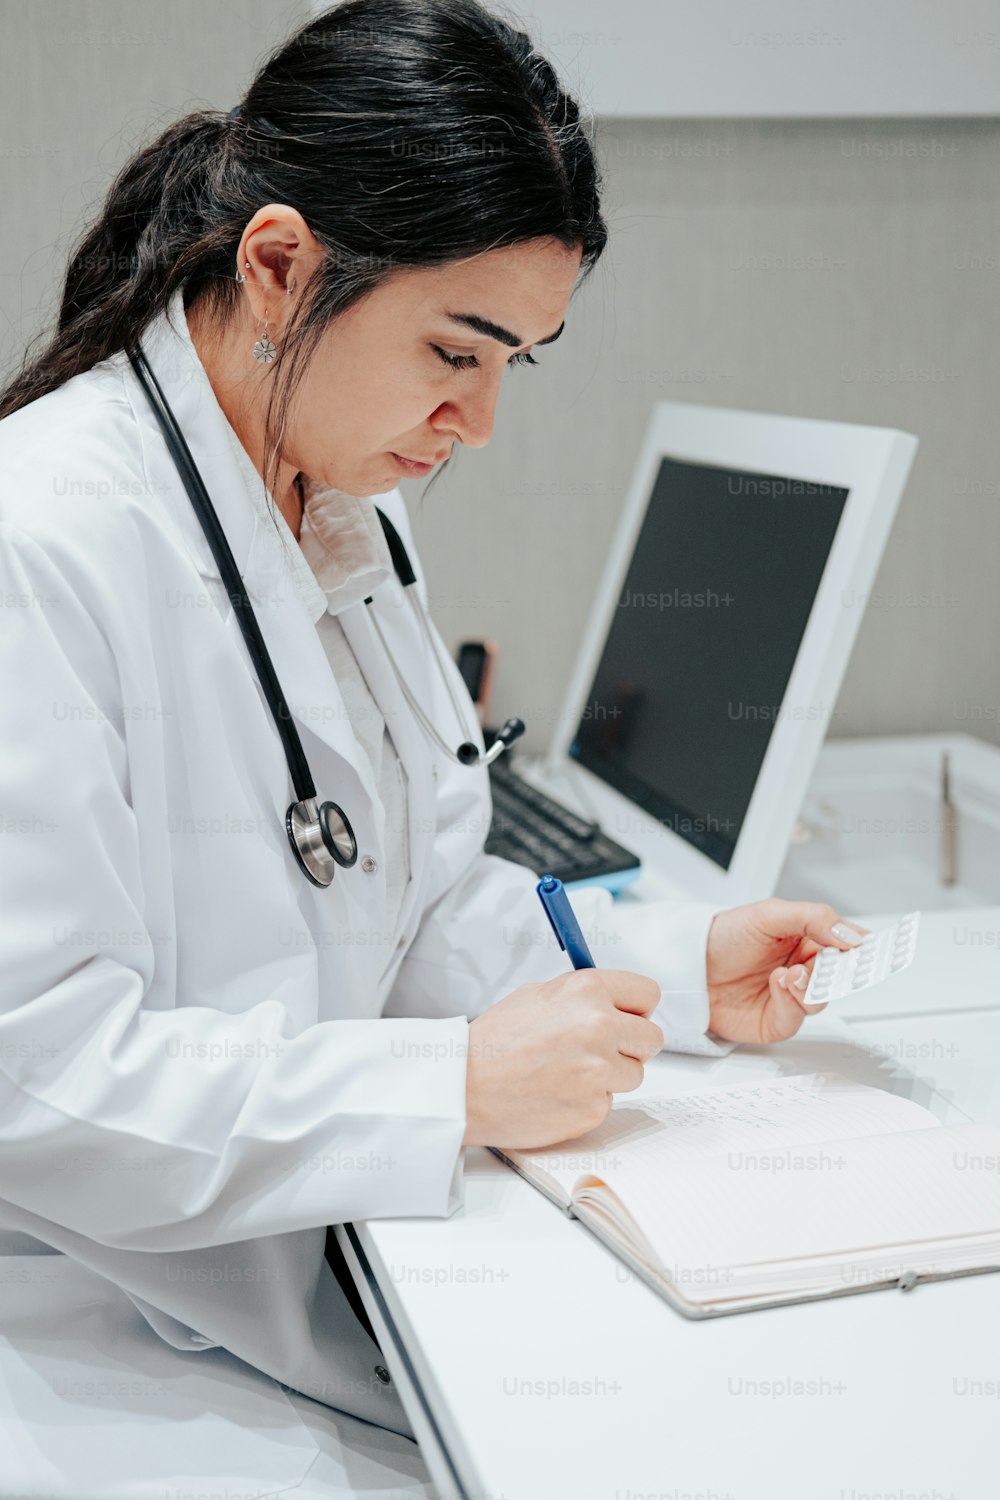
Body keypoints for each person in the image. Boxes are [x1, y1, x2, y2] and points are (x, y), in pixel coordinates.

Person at [0, 0, 866, 1484]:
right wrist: (445, 1090)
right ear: (277, 266)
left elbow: (421, 887)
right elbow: (41, 1076)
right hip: (117, 1336)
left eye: (515, 363)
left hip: (331, 1268)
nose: (474, 422)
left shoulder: (346, 496)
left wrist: (665, 969)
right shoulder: (42, 543)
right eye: (455, 350)